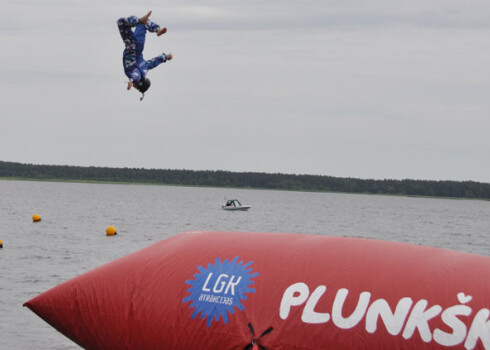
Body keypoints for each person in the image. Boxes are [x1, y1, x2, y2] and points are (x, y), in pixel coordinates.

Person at [117, 11, 173, 100]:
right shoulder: (136, 75)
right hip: (132, 46)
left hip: (139, 46)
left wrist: (165, 57)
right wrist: (131, 81)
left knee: (143, 23)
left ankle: (157, 29)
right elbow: (135, 76)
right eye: (137, 88)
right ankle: (140, 21)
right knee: (120, 22)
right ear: (140, 84)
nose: (135, 88)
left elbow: (154, 62)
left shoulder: (145, 68)